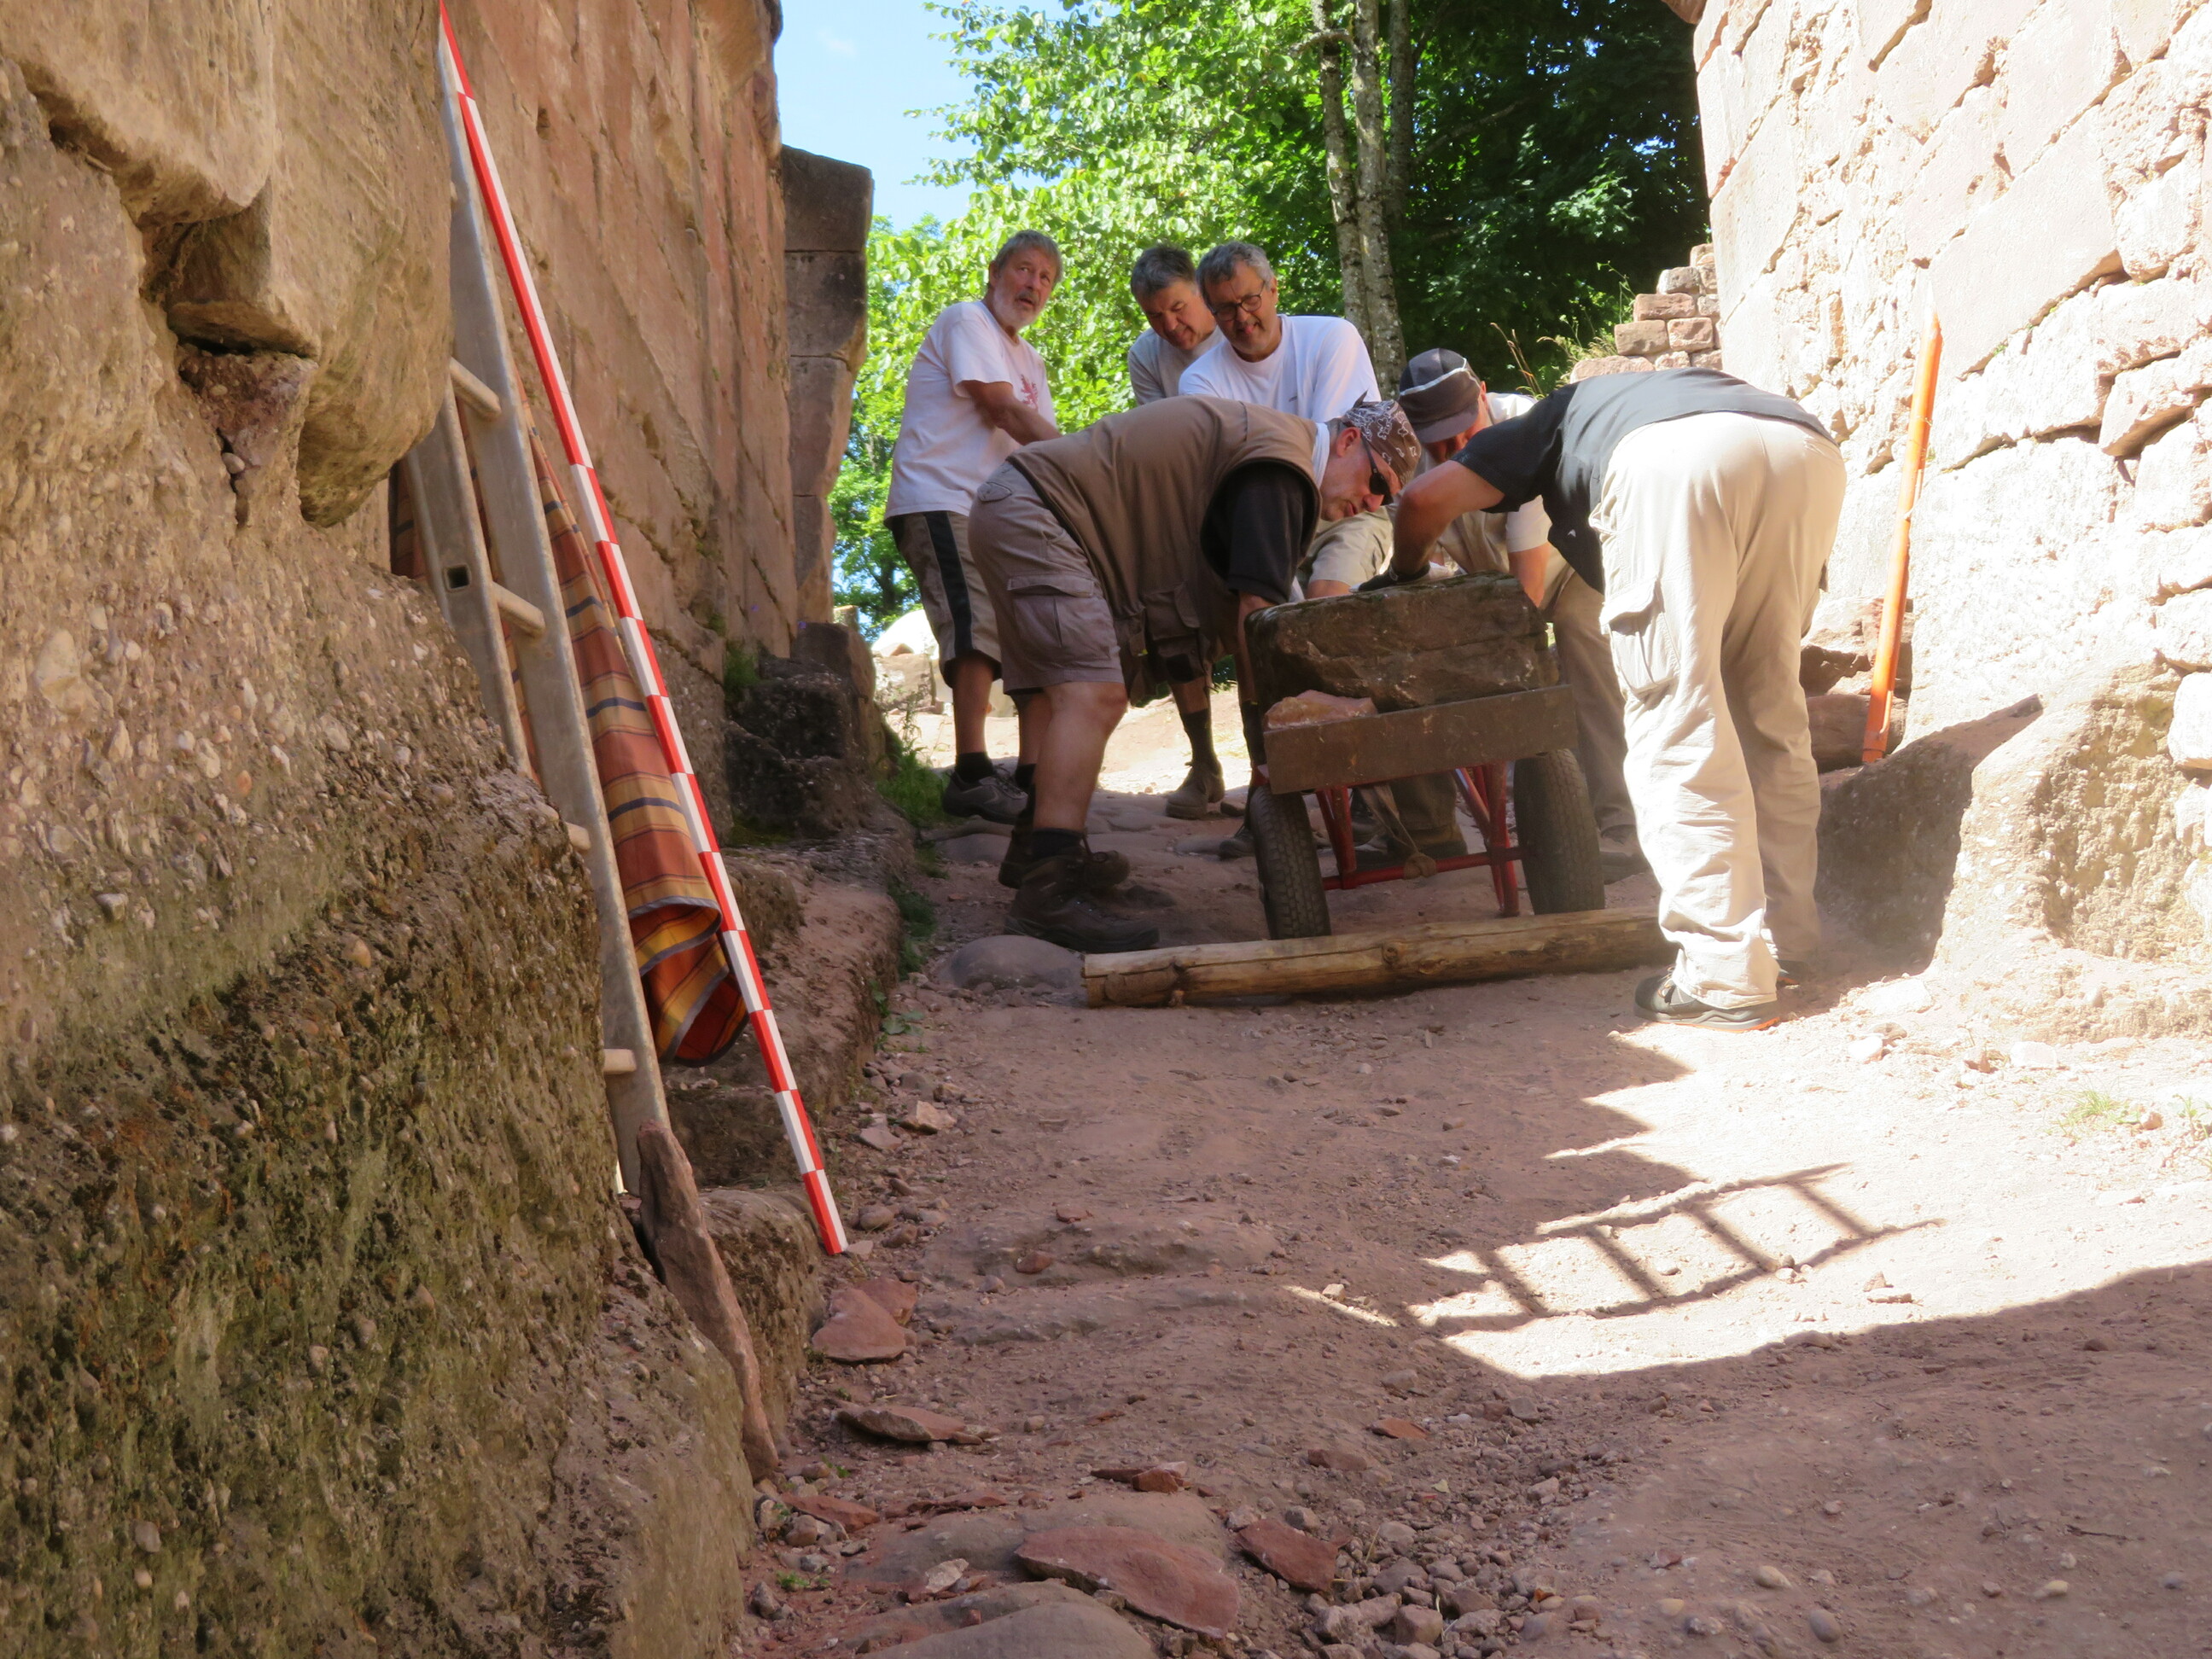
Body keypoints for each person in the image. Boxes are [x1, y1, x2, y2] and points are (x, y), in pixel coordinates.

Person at [1382, 366, 1846, 1031]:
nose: (1456, 448)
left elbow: (1425, 502)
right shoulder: (1635, 396)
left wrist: (1403, 575)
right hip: (1805, 450)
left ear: (1484, 398)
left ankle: (1723, 974)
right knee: (1768, 712)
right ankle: (1788, 941)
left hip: (1677, 465)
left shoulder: (1546, 420)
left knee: (1675, 720)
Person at [969, 396, 1423, 951]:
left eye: (1386, 499)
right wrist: (1272, 737)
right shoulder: (1284, 470)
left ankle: (1036, 849)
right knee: (1092, 696)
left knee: (1055, 693)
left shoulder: (1275, 450)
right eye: (1376, 482)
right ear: (1348, 441)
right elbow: (1257, 619)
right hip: (1036, 515)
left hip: (1021, 506)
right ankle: (1048, 893)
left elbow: (1240, 610)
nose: (1373, 503)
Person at [1394, 349, 1642, 882]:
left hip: (1572, 568)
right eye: (1438, 441)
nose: (1455, 450)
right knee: (1412, 646)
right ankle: (1428, 827)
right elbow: (1412, 567)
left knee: (1580, 637)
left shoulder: (1528, 427)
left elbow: (1528, 590)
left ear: (1483, 394)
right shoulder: (1406, 460)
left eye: (1463, 431)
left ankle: (1623, 823)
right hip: (1489, 585)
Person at [1181, 241, 1382, 854]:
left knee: (1330, 602)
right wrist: (1268, 582)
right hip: (1260, 520)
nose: (1241, 318)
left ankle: (1368, 791)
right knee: (1254, 630)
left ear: (1273, 290)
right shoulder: (1200, 379)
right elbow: (1228, 475)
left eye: (1249, 300)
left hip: (1344, 502)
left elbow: (1329, 454)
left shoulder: (1331, 338)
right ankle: (1269, 796)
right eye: (1224, 309)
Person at [883, 230, 1062, 823]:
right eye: (1024, 269)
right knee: (974, 622)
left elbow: (1037, 450)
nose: (1033, 284)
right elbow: (1001, 409)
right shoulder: (967, 321)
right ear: (994, 272)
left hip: (996, 511)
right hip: (941, 496)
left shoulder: (1031, 359)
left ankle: (1031, 776)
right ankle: (971, 772)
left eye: (1045, 278)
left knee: (1032, 628)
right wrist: (1089, 457)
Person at [1126, 244, 1229, 820]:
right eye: (1154, 316)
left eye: (1178, 308)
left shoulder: (1240, 328)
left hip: (1253, 487)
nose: (1169, 326)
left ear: (1201, 293)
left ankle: (1279, 764)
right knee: (1168, 608)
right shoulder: (1146, 355)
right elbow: (1163, 437)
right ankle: (1204, 763)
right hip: (1186, 498)